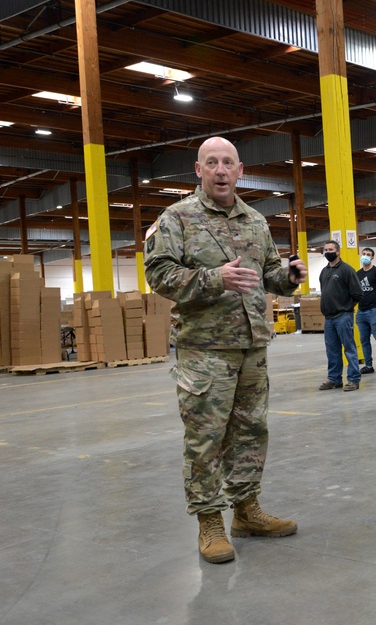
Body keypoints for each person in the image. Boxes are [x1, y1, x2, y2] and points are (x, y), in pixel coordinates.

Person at [144, 136, 304, 564]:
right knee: (206, 439)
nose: (220, 170)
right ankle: (209, 521)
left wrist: (287, 276)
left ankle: (246, 510)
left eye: (227, 163)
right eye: (211, 162)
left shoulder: (255, 220)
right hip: (205, 350)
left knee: (251, 433)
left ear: (239, 170)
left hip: (252, 346)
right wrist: (216, 279)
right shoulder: (176, 217)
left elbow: (268, 272)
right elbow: (158, 275)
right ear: (198, 170)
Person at [318, 239, 363, 392]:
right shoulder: (324, 271)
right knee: (332, 350)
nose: (328, 252)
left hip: (343, 316)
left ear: (338, 252)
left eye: (331, 249)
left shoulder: (346, 270)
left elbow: (357, 293)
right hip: (329, 318)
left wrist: (347, 308)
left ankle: (353, 379)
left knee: (349, 348)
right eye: (326, 250)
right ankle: (334, 379)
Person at [355, 247, 376, 376]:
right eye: (363, 254)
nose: (365, 256)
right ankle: (368, 365)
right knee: (364, 340)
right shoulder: (358, 274)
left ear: (372, 257)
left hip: (375, 310)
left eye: (368, 254)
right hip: (361, 311)